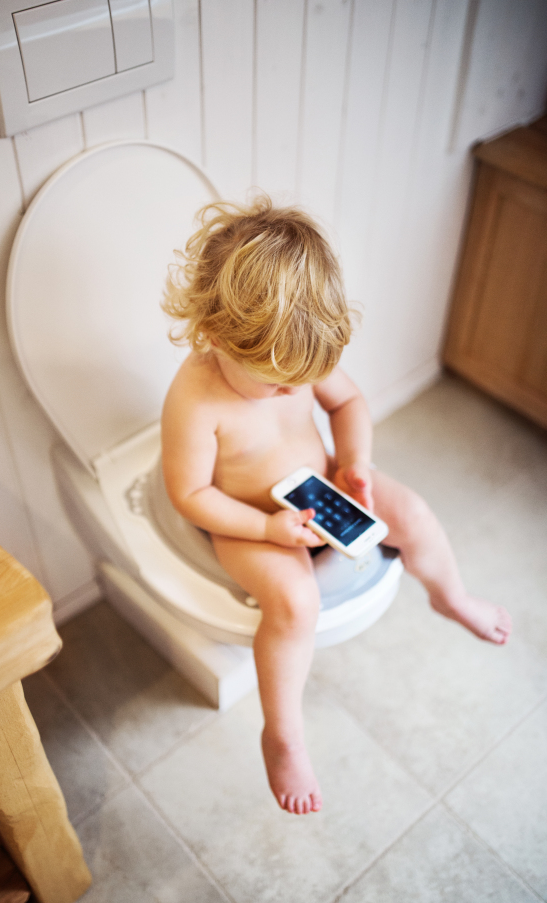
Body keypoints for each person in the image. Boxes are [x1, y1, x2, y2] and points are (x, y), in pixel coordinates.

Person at [160, 195, 512, 816]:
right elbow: (190, 495)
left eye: (304, 373)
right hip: (248, 521)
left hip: (321, 489)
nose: (294, 388)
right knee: (296, 603)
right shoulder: (196, 400)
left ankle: (448, 593)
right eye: (277, 381)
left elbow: (347, 406)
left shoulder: (293, 350)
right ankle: (283, 735)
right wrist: (267, 526)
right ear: (213, 338)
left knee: (417, 516)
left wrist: (356, 464)